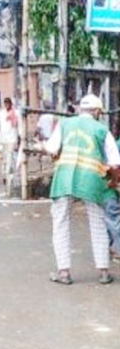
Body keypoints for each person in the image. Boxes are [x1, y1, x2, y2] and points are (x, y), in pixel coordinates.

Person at [40, 94, 120, 285]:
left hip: (64, 179)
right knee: (98, 223)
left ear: (80, 110)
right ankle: (103, 272)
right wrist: (113, 182)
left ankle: (64, 272)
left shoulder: (65, 124)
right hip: (92, 181)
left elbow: (51, 148)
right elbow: (116, 163)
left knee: (60, 223)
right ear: (98, 112)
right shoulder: (102, 130)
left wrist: (45, 147)